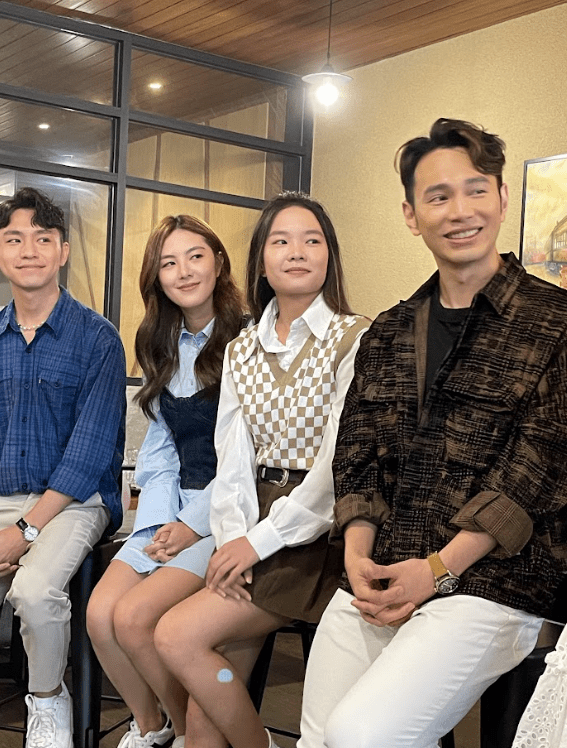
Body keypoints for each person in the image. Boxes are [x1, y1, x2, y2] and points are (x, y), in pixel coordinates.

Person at [297, 118, 567, 748]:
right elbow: (357, 455)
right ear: (412, 215)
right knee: (318, 740)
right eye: (438, 196)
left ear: (502, 198)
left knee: (360, 736)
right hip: (384, 566)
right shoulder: (389, 331)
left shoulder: (555, 321)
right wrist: (357, 556)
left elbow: (533, 474)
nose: (460, 211)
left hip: (496, 582)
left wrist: (437, 570)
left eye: (476, 190)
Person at [153, 192, 369, 748]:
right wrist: (232, 541)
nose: (296, 252)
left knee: (176, 635)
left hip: (319, 535)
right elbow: (233, 461)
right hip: (253, 522)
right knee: (204, 719)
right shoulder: (242, 348)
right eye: (281, 241)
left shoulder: (355, 338)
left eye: (311, 240)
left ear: (329, 255)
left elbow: (337, 469)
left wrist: (256, 544)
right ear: (261, 260)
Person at [86, 214, 245, 748]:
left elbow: (245, 458)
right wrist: (157, 524)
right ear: (156, 276)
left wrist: (190, 525)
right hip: (171, 509)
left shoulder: (248, 340)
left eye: (195, 256)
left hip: (226, 515)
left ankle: (184, 732)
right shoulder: (160, 340)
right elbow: (160, 447)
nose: (184, 271)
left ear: (218, 261)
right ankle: (150, 727)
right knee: (100, 615)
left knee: (133, 619)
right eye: (169, 262)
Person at [0, 187, 126, 748]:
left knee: (34, 591)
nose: (29, 251)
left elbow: (88, 455)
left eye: (42, 239)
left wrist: (22, 531)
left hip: (76, 501)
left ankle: (48, 701)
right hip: (6, 496)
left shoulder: (97, 338)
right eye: (14, 240)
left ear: (63, 251)